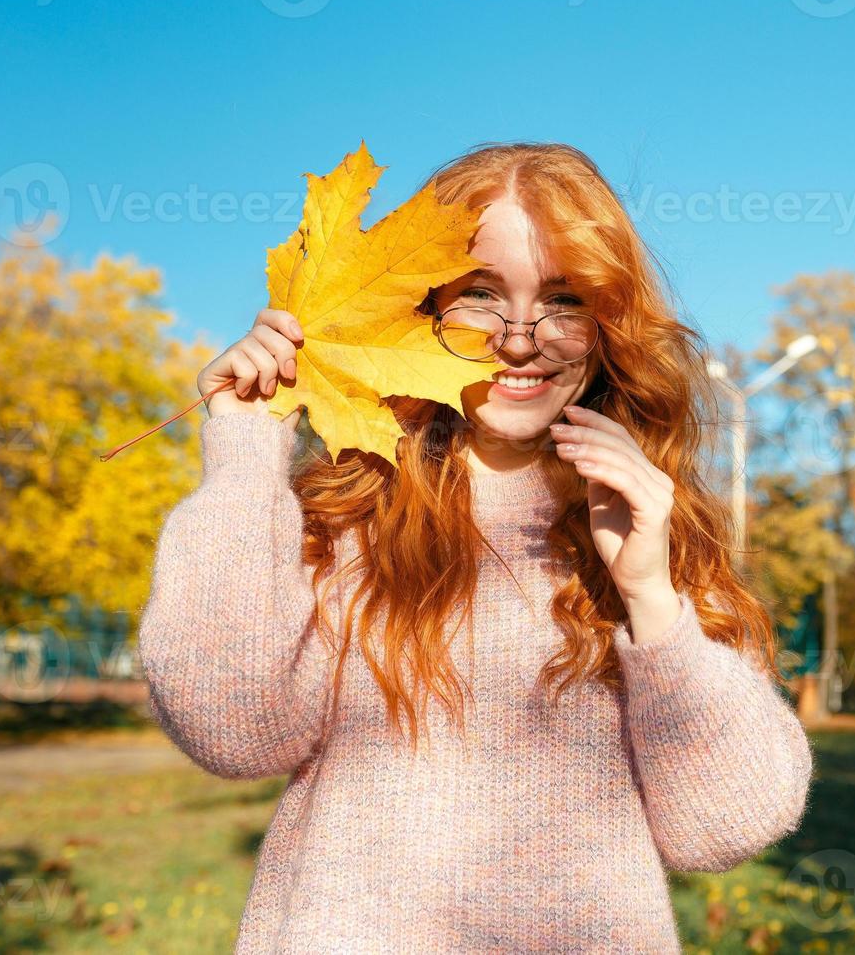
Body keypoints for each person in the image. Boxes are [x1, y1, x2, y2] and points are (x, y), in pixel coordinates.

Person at [138, 142, 815, 952]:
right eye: (482, 295)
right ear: (420, 309)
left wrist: (651, 600)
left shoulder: (647, 525)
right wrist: (247, 451)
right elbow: (233, 730)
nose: (520, 339)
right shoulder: (345, 520)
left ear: (608, 328)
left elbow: (729, 822)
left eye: (562, 300)